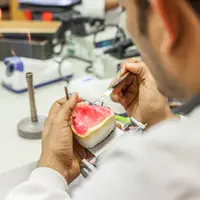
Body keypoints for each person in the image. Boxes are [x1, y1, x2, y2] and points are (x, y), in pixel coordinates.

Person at [5, 0, 200, 199]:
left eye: (125, 11)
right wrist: (162, 121)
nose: (129, 27)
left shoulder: (140, 176)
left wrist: (51, 170)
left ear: (166, 18)